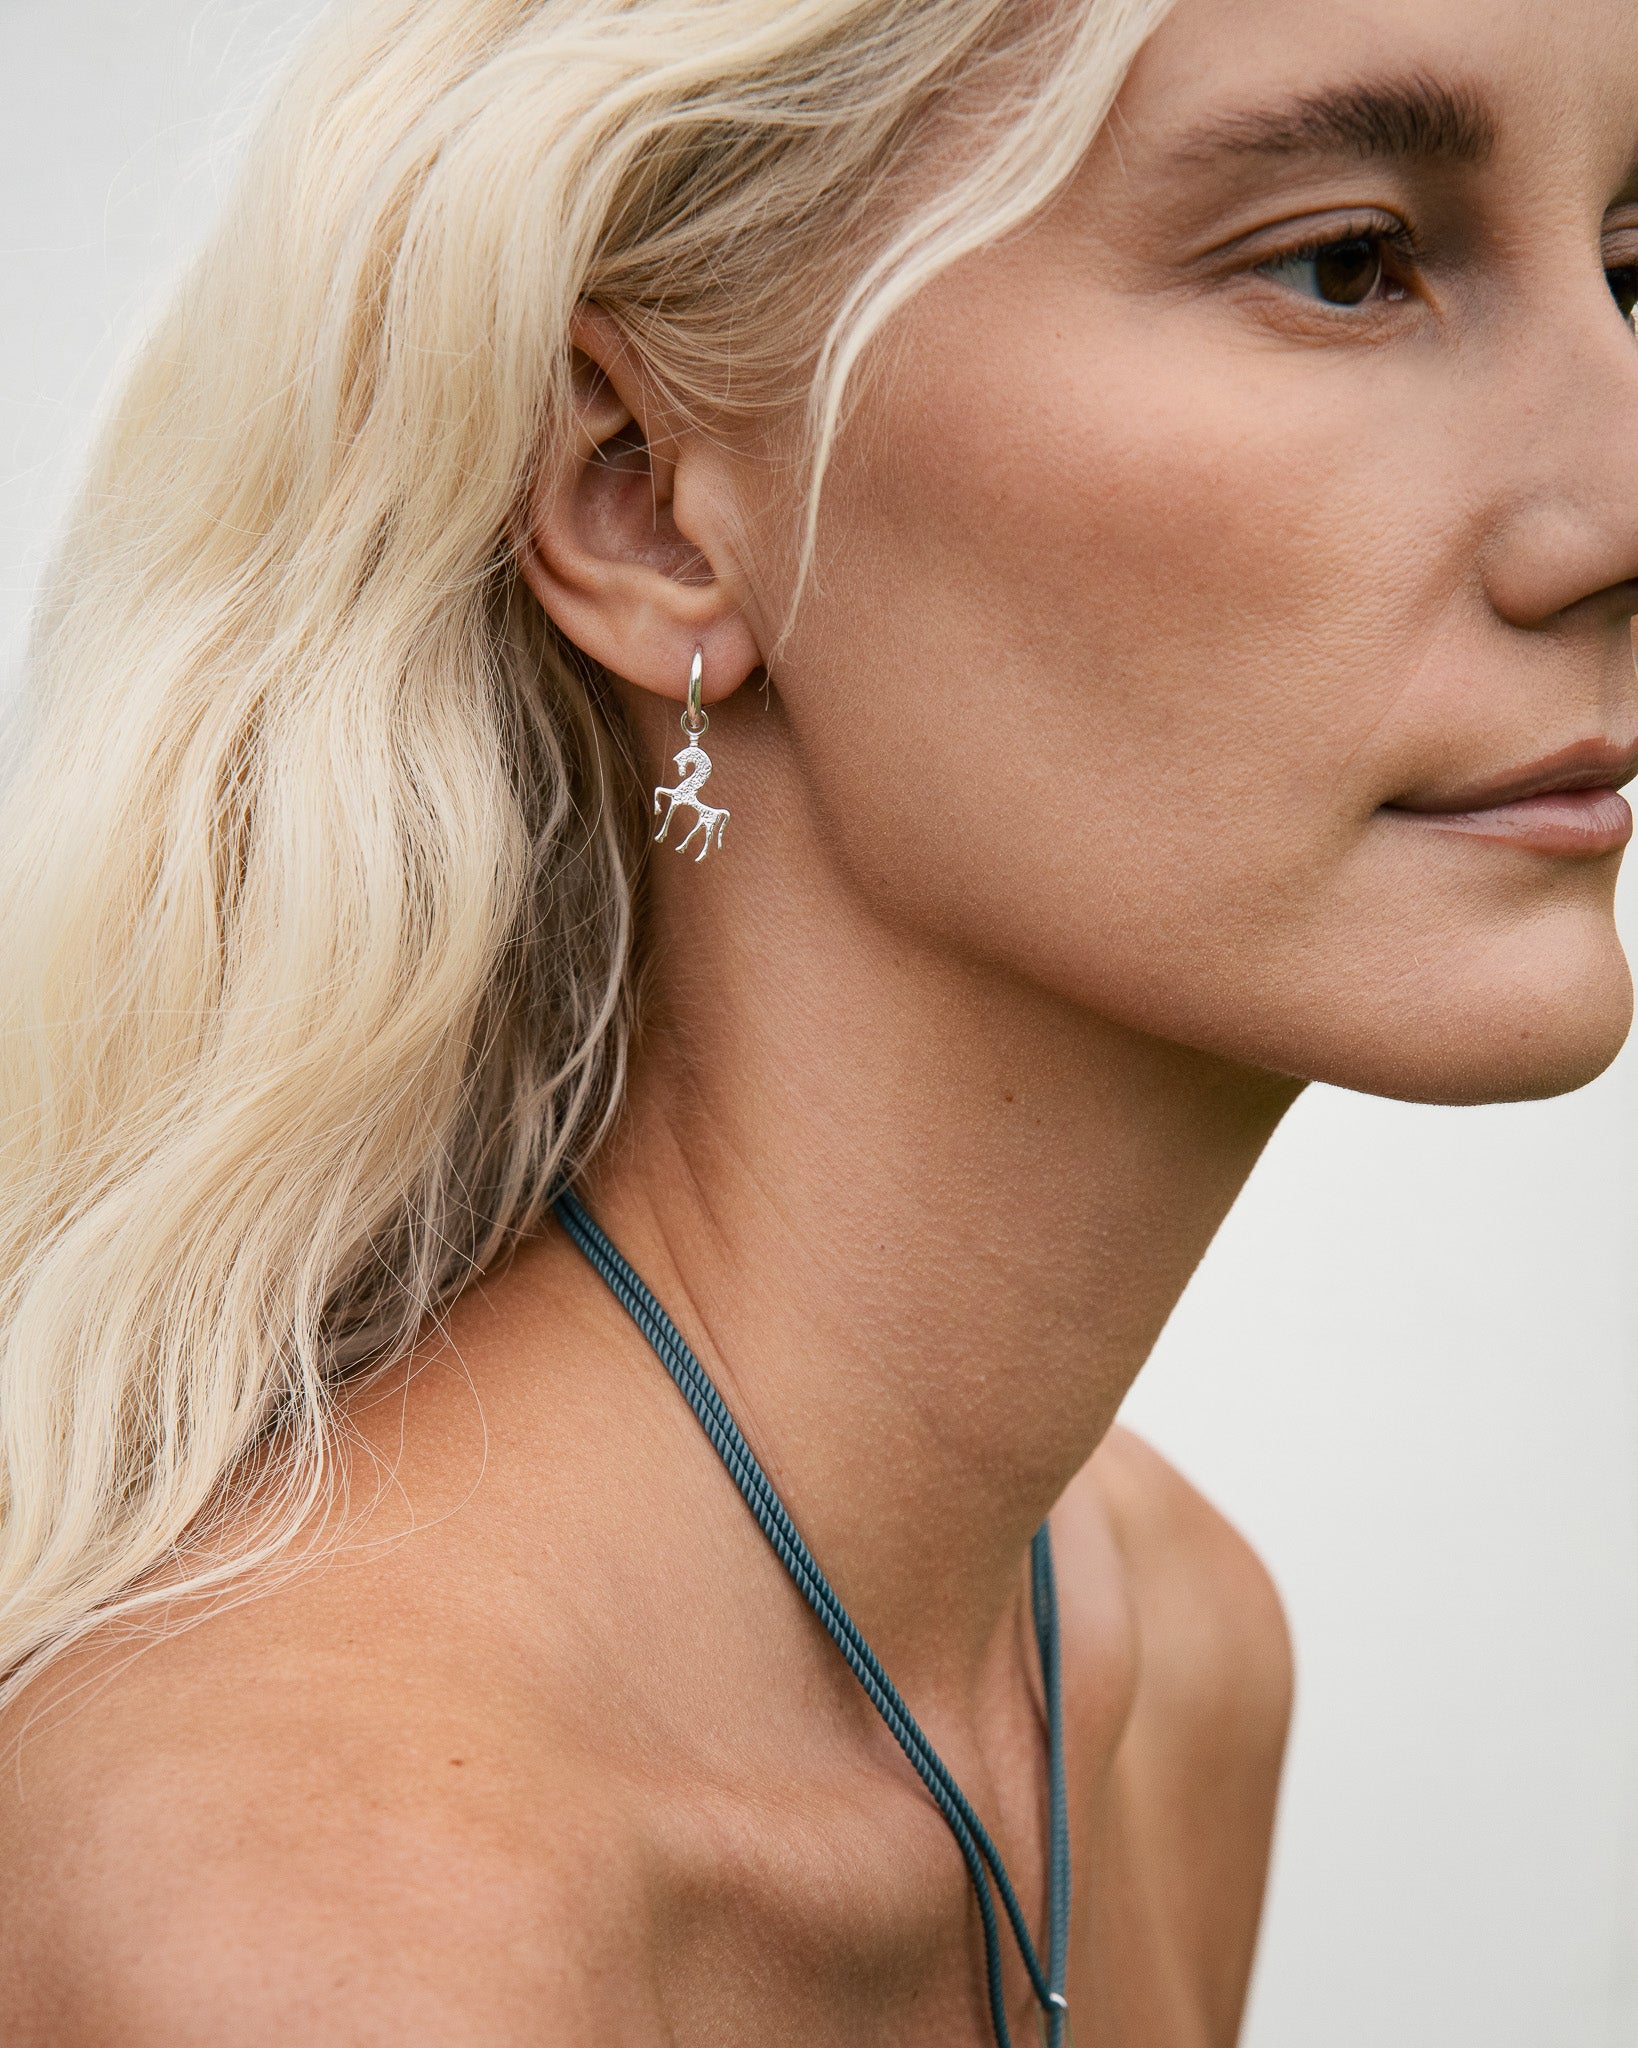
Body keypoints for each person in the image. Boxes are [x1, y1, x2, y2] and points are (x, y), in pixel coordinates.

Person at [2, 0, 1636, 2038]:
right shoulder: (342, 1937)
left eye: (1633, 268)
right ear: (645, 498)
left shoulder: (1152, 1664)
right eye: (1347, 263)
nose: (1614, 504)